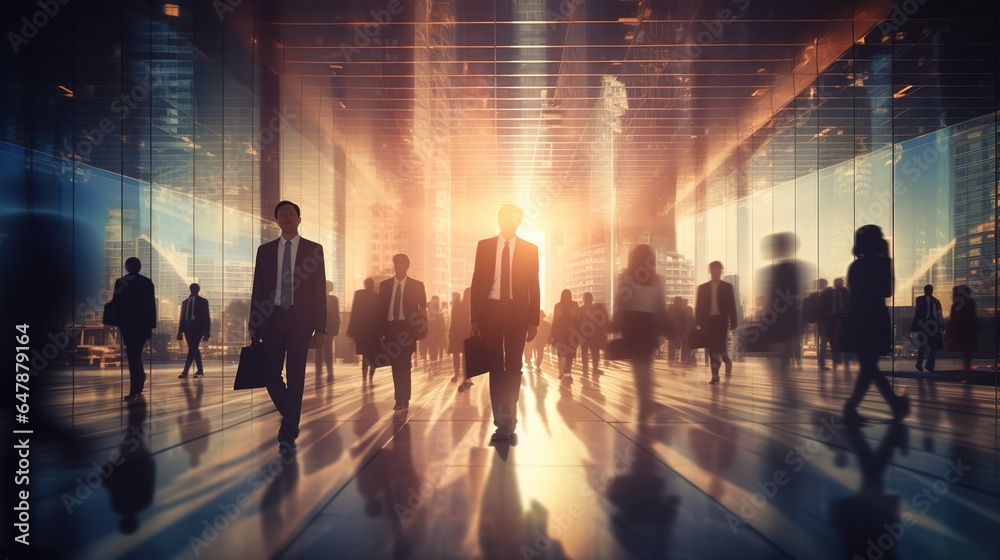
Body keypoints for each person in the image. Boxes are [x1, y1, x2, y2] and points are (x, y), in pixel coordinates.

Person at [248, 200, 328, 452]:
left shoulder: (314, 250)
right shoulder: (265, 251)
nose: (286, 218)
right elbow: (258, 288)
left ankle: (289, 432)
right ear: (276, 220)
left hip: (299, 322)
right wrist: (254, 322)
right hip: (271, 321)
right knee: (270, 375)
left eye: (290, 214)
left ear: (299, 218)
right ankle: (291, 412)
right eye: (281, 215)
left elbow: (319, 291)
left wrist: (321, 327)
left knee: (296, 377)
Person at [470, 204, 540, 443]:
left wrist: (534, 321)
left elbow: (534, 286)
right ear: (499, 220)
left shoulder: (530, 249)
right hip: (489, 312)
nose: (510, 222)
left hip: (516, 315)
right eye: (506, 217)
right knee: (495, 369)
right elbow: (477, 281)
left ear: (519, 222)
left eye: (515, 218)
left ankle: (509, 414)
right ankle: (502, 422)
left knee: (513, 367)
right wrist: (475, 318)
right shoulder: (485, 246)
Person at [841, 225, 909, 424]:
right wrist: (887, 259)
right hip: (875, 317)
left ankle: (854, 406)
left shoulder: (855, 266)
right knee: (869, 365)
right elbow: (888, 291)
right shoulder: (882, 265)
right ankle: (890, 404)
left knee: (868, 365)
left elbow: (851, 290)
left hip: (858, 318)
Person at [613, 245, 670, 420]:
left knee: (642, 365)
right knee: (643, 364)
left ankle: (646, 402)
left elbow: (620, 302)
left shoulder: (627, 278)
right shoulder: (651, 279)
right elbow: (660, 305)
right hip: (643, 326)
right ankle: (646, 402)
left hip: (637, 326)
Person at [378, 254, 427, 410]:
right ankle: (398, 397)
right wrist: (378, 331)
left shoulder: (417, 286)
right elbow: (380, 310)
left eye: (401, 263)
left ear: (407, 266)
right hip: (390, 329)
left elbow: (423, 309)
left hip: (408, 330)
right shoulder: (385, 285)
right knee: (395, 364)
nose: (398, 266)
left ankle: (404, 398)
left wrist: (422, 330)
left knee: (404, 363)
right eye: (395, 263)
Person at [112, 257, 157, 400]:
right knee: (135, 355)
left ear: (126, 267)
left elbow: (116, 304)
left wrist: (117, 323)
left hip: (127, 325)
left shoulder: (121, 282)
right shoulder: (147, 282)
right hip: (142, 325)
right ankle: (138, 384)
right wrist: (151, 326)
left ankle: (135, 389)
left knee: (132, 356)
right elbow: (151, 306)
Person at [695, 261, 738, 384]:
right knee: (712, 348)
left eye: (718, 270)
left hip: (721, 321)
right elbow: (699, 306)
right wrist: (697, 322)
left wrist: (734, 322)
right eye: (713, 270)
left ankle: (726, 361)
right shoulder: (702, 288)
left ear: (721, 271)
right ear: (710, 271)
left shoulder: (727, 287)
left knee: (720, 346)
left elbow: (731, 306)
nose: (716, 272)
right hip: (708, 322)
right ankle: (715, 375)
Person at [348, 278, 381, 382]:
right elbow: (380, 314)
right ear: (373, 285)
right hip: (373, 331)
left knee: (365, 353)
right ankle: (371, 374)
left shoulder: (359, 294)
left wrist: (352, 330)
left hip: (362, 330)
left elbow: (354, 312)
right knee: (373, 353)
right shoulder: (377, 296)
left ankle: (364, 374)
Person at [944, 285, 978, 383]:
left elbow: (953, 320)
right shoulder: (969, 303)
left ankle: (965, 374)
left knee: (965, 354)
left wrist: (950, 333)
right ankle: (967, 374)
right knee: (967, 355)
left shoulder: (956, 305)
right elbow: (972, 319)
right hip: (967, 333)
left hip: (961, 333)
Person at [177, 283, 210, 378]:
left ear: (198, 290)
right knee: (193, 349)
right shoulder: (185, 302)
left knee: (193, 348)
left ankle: (185, 371)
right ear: (190, 289)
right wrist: (179, 332)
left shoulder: (203, 302)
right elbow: (182, 318)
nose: (194, 290)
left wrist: (207, 333)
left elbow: (206, 317)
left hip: (198, 328)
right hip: (187, 328)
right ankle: (200, 370)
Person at [910, 284, 943, 373]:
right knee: (924, 345)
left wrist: (940, 325)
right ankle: (921, 364)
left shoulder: (936, 301)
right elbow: (917, 314)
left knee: (932, 346)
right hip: (924, 325)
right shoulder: (920, 300)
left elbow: (939, 315)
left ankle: (927, 365)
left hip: (932, 325)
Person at [820, 277, 850, 371]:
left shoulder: (842, 292)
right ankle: (835, 361)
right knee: (831, 342)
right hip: (832, 320)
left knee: (830, 342)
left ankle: (834, 361)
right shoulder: (830, 293)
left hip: (835, 319)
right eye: (840, 282)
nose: (841, 284)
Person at [550, 289, 581, 382]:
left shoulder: (557, 306)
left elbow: (554, 320)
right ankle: (567, 373)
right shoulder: (575, 305)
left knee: (560, 354)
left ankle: (561, 373)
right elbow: (579, 320)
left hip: (560, 334)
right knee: (570, 355)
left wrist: (552, 335)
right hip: (572, 334)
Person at [315, 280, 341, 381]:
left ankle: (318, 371)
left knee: (318, 349)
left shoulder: (317, 298)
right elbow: (336, 315)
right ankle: (329, 371)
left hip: (319, 326)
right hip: (330, 327)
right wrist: (337, 329)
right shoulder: (334, 299)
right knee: (328, 350)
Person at [579, 292, 608, 376]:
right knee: (595, 352)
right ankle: (595, 368)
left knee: (584, 352)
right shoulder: (597, 309)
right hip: (594, 335)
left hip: (583, 335)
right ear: (591, 299)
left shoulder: (580, 309)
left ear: (583, 299)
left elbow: (578, 322)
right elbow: (602, 322)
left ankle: (585, 369)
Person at [448, 289, 471, 388]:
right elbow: (453, 320)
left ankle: (466, 376)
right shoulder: (458, 306)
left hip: (467, 333)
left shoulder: (474, 306)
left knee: (466, 355)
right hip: (458, 332)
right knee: (457, 354)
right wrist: (451, 332)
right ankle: (457, 373)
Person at [803, 279, 826, 368]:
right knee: (823, 342)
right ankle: (821, 363)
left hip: (814, 321)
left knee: (820, 342)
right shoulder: (823, 295)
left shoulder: (811, 296)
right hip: (822, 321)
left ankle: (821, 362)